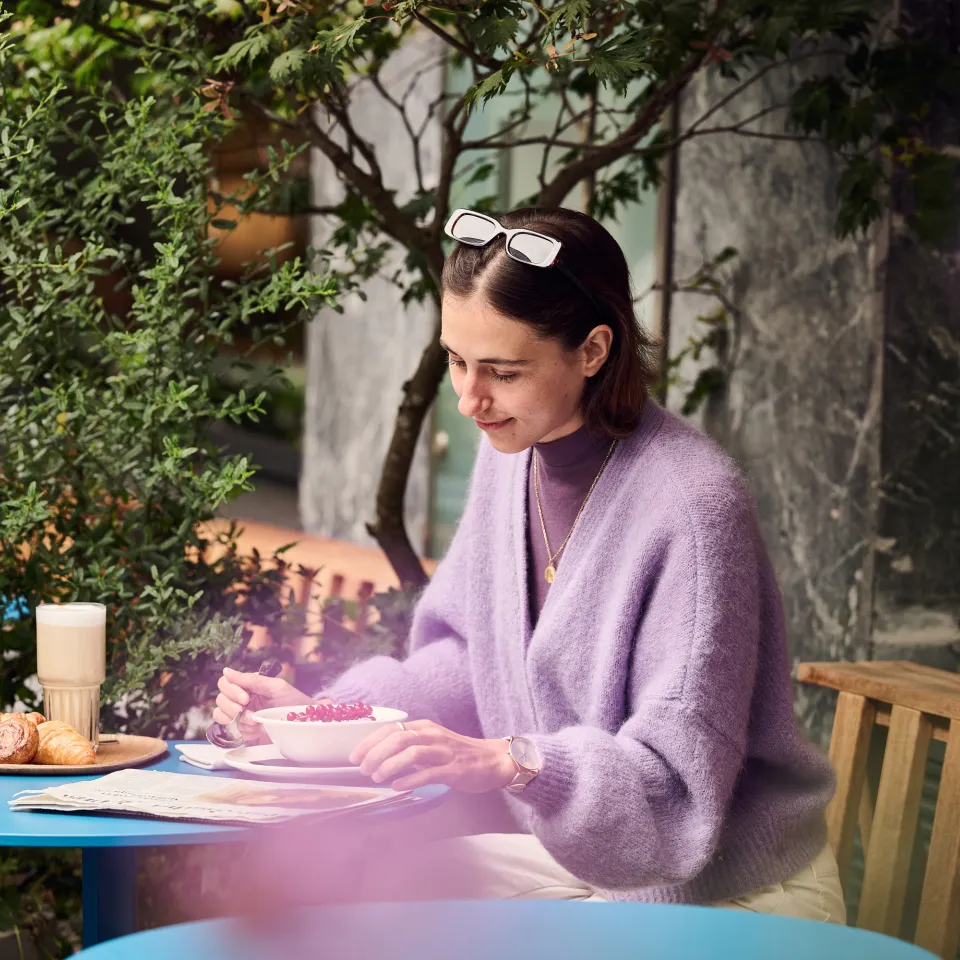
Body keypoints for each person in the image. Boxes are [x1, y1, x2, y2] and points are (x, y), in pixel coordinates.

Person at [213, 207, 844, 920]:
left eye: (503, 372)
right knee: (355, 894)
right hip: (587, 865)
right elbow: (467, 658)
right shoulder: (511, 456)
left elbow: (676, 789)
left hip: (728, 888)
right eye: (456, 360)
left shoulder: (694, 507)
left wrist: (512, 761)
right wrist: (322, 717)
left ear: (593, 350)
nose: (468, 399)